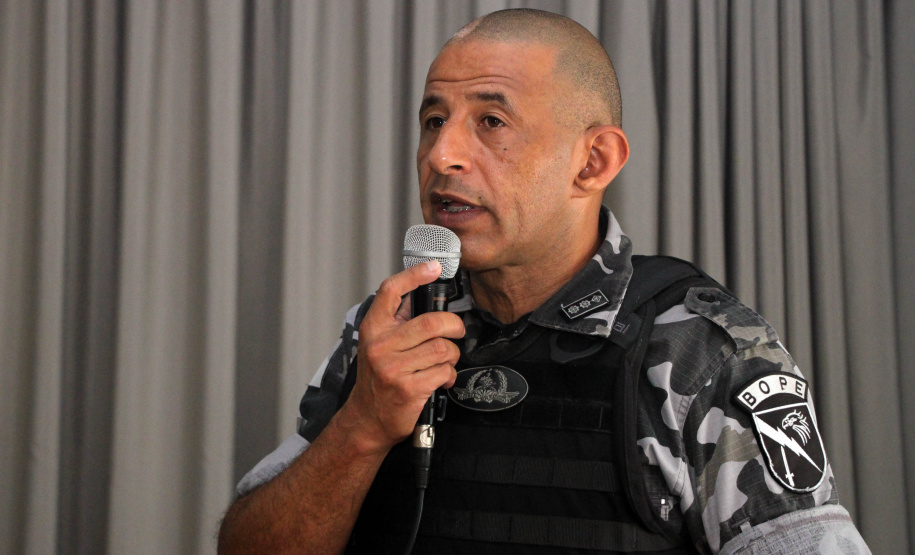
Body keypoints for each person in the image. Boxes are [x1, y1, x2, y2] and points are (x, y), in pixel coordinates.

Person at [218, 9, 870, 554]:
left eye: (490, 122)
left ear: (592, 161)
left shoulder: (699, 349)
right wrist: (360, 427)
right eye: (433, 120)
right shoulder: (391, 330)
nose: (443, 152)